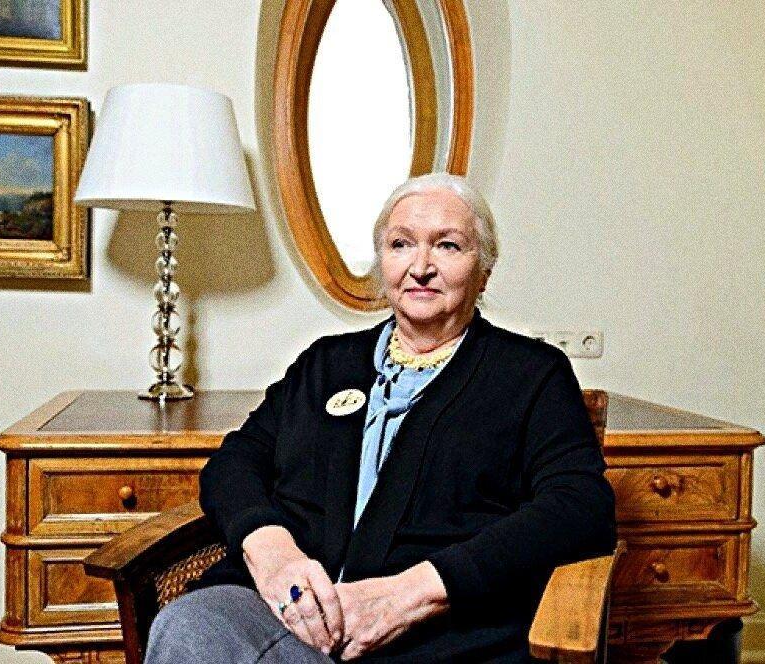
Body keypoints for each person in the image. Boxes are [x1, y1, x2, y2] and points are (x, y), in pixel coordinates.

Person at [145, 173, 616, 663]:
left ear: (484, 270)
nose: (421, 267)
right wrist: (272, 553)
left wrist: (410, 596)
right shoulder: (326, 364)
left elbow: (581, 507)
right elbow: (235, 463)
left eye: (448, 246)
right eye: (400, 244)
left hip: (435, 638)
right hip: (277, 612)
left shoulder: (530, 375)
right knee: (190, 627)